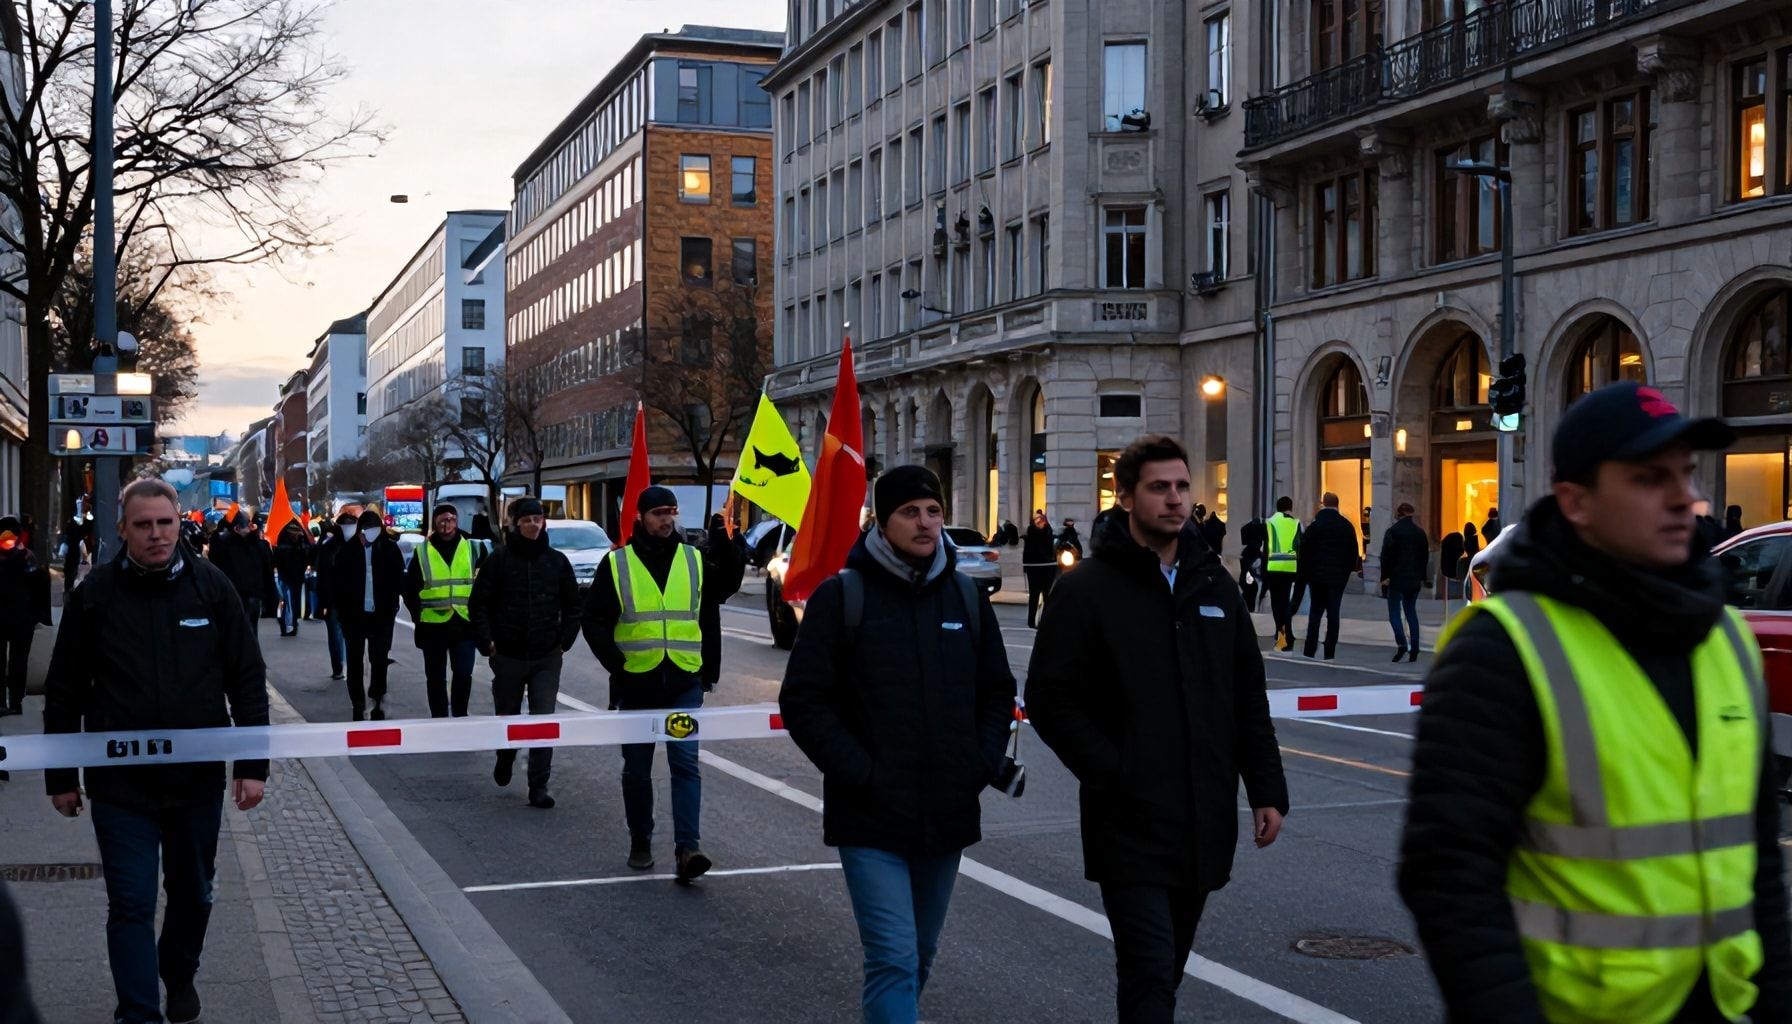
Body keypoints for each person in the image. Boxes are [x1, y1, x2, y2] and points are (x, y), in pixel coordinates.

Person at [1399, 380, 1792, 1023]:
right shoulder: (1504, 648)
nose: (1684, 499)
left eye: (1686, 475)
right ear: (1577, 502)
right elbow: (1450, 882)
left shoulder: (1726, 638)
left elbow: (1756, 860)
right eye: (1647, 478)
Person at [1025, 436, 1288, 1023]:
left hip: (1202, 818)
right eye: (1158, 488)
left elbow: (1247, 696)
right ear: (1124, 498)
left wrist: (1266, 789)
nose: (1174, 500)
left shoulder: (1215, 585)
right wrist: (1111, 770)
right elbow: (1048, 696)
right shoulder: (1086, 588)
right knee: (1148, 973)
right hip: (1129, 822)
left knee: (1163, 977)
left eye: (1181, 487)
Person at [780, 465, 1016, 1024]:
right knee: (893, 957)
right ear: (882, 523)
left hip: (947, 812)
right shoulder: (844, 596)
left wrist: (978, 763)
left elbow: (997, 691)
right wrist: (861, 772)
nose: (926, 522)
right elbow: (804, 701)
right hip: (871, 817)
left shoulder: (965, 597)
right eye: (910, 512)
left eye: (933, 511)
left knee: (921, 955)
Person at [43, 478, 269, 1024]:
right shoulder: (94, 596)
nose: (156, 535)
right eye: (142, 525)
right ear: (123, 530)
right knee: (130, 904)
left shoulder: (211, 589)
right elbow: (64, 688)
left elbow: (246, 677)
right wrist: (60, 775)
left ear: (178, 523)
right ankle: (138, 1013)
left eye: (164, 523)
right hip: (121, 787)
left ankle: (178, 968)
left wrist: (252, 764)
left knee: (195, 895)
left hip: (195, 783)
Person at [581, 485, 745, 881]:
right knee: (637, 769)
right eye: (658, 513)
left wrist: (729, 544)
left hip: (684, 681)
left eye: (671, 512)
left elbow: (722, 592)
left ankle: (688, 848)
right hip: (636, 684)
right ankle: (641, 840)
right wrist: (617, 665)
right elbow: (595, 620)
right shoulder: (618, 563)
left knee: (685, 763)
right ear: (641, 517)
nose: (666, 519)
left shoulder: (694, 559)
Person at [469, 497, 582, 809]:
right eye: (527, 520)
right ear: (516, 524)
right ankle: (505, 756)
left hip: (547, 655)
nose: (534, 524)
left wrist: (564, 641)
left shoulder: (557, 561)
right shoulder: (498, 561)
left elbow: (574, 605)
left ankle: (538, 785)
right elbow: (478, 604)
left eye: (538, 519)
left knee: (543, 720)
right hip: (508, 654)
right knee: (508, 715)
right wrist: (488, 643)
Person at [402, 505, 486, 719]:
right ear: (435, 524)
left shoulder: (473, 548)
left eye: (449, 520)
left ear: (456, 521)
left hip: (464, 623)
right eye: (441, 521)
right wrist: (417, 616)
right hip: (432, 627)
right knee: (436, 677)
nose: (446, 525)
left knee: (464, 673)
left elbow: (486, 586)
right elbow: (410, 588)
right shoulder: (422, 551)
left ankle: (459, 714)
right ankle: (439, 717)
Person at [331, 509, 403, 721]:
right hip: (355, 616)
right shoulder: (347, 552)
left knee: (379, 658)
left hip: (381, 616)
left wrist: (392, 606)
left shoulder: (389, 549)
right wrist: (342, 612)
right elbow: (339, 585)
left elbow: (398, 579)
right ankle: (357, 701)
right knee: (354, 660)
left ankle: (377, 695)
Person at [1297, 493, 1360, 661]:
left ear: (1323, 504)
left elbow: (1304, 551)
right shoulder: (1346, 526)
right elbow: (1353, 553)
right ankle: (1329, 649)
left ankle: (1310, 648)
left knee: (1315, 612)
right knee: (1333, 613)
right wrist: (1346, 573)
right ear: (1337, 504)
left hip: (1316, 577)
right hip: (1337, 578)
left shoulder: (1315, 526)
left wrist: (1307, 573)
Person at [0, 516, 51, 717]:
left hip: (21, 620)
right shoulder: (27, 557)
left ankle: (14, 701)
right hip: (17, 620)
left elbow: (40, 585)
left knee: (17, 663)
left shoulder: (27, 558)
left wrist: (37, 615)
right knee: (14, 662)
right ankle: (10, 702)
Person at [1378, 502, 1427, 664]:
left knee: (1394, 613)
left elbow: (1386, 556)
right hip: (1413, 580)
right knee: (1411, 612)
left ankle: (1401, 645)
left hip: (1397, 579)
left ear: (1399, 514)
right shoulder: (1420, 533)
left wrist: (1384, 577)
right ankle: (1415, 647)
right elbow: (1424, 557)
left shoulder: (1393, 532)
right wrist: (1421, 576)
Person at [207, 510, 275, 623]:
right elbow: (214, 557)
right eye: (247, 525)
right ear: (237, 528)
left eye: (250, 525)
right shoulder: (227, 546)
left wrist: (270, 597)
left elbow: (268, 572)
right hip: (238, 595)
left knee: (246, 629)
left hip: (250, 594)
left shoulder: (259, 546)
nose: (250, 528)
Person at [311, 515, 352, 680]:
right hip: (336, 598)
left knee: (344, 635)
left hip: (345, 599)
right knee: (337, 635)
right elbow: (323, 577)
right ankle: (340, 667)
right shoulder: (330, 548)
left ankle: (345, 667)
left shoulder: (355, 546)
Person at [1264, 496, 1302, 651]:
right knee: (1286, 603)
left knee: (1276, 604)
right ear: (1290, 507)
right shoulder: (1295, 523)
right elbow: (1299, 546)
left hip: (1273, 567)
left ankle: (1281, 636)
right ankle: (1286, 636)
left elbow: (1266, 547)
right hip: (1290, 568)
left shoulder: (1270, 522)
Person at [1021, 509, 1059, 629]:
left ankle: (1046, 620)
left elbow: (1053, 548)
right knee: (1034, 595)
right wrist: (1026, 567)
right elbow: (1027, 553)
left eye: (1042, 521)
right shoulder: (1031, 535)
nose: (1040, 523)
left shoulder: (1048, 533)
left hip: (1048, 567)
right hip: (1035, 568)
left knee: (1047, 595)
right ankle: (1031, 621)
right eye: (1038, 521)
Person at [273, 520, 310, 638]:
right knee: (287, 603)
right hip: (287, 578)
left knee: (292, 604)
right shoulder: (291, 547)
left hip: (294, 578)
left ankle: (291, 624)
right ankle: (287, 625)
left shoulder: (298, 546)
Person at [1237, 516, 1267, 612]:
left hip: (1248, 556)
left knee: (1248, 584)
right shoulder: (1263, 527)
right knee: (1251, 586)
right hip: (1254, 555)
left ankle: (1248, 606)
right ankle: (1250, 607)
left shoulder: (1246, 528)